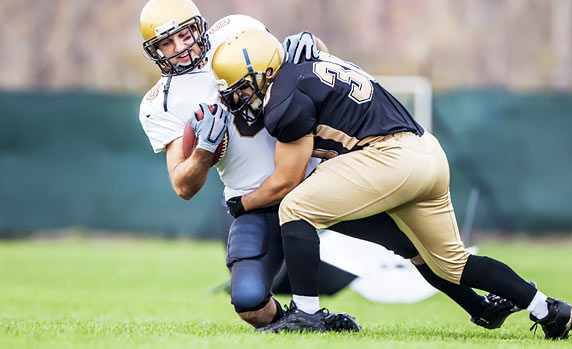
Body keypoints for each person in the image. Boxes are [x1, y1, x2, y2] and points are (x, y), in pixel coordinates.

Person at [138, 0, 525, 332]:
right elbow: (183, 185)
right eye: (166, 42)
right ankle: (304, 320)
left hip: (314, 180)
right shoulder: (161, 103)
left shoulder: (237, 32)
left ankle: (482, 309)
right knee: (250, 303)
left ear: (199, 27)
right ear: (153, 51)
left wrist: (313, 44)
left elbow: (301, 73)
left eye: (184, 34)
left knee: (413, 245)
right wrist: (204, 151)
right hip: (254, 200)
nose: (179, 48)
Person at [209, 29, 572, 339]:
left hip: (388, 157)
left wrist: (243, 203)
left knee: (296, 207)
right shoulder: (309, 64)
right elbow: (317, 57)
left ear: (267, 72)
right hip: (427, 154)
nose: (241, 99)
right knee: (451, 262)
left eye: (243, 88)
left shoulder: (283, 100)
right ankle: (547, 309)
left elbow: (286, 180)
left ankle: (306, 312)